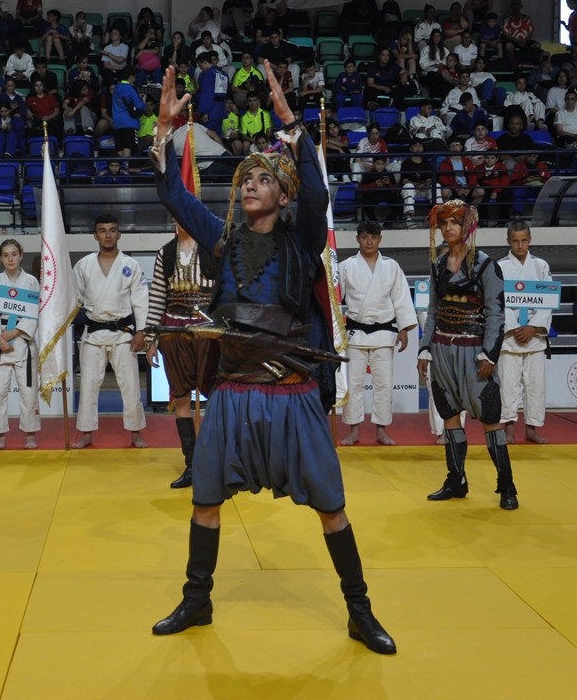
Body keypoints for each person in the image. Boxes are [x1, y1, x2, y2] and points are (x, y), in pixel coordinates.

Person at [147, 62, 395, 654]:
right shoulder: (222, 237)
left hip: (292, 392)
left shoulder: (302, 236)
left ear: (283, 194)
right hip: (232, 391)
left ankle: (360, 611)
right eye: (245, 177)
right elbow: (172, 194)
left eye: (262, 177)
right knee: (205, 498)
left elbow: (318, 192)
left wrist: (291, 124)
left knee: (332, 508)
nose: (249, 183)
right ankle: (197, 599)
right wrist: (163, 133)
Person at [417, 199, 518, 511]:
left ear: (467, 226)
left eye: (454, 223)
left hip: (474, 352)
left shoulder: (487, 265)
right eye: (443, 223)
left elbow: (496, 315)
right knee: (449, 416)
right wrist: (424, 347)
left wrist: (489, 354)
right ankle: (456, 479)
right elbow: (432, 310)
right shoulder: (437, 265)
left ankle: (507, 485)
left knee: (490, 419)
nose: (448, 228)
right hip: (442, 350)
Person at [145, 222, 219, 488]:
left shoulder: (213, 249)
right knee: (181, 396)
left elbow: (225, 291)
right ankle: (192, 464)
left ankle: (218, 461)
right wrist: (151, 339)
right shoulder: (165, 253)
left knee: (217, 394)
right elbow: (157, 297)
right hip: (172, 330)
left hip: (207, 330)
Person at [72, 213, 149, 450]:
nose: (108, 234)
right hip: (93, 334)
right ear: (95, 235)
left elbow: (141, 301)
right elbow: (73, 300)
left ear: (119, 234)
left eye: (112, 229)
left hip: (123, 333)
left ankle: (135, 432)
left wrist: (141, 331)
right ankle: (86, 433)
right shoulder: (83, 265)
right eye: (103, 230)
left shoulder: (131, 265)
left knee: (131, 384)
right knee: (88, 385)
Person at [338, 221, 416, 446]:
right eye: (364, 237)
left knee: (384, 383)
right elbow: (336, 299)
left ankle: (381, 429)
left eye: (373, 237)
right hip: (355, 333)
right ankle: (354, 430)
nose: (369, 241)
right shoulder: (346, 266)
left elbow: (401, 298)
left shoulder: (391, 266)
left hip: (384, 333)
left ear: (380, 239)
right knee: (354, 383)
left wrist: (404, 329)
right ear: (357, 239)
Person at [497, 222, 551, 445]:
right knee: (508, 385)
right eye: (516, 241)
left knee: (535, 385)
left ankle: (532, 428)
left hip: (534, 336)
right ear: (508, 241)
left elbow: (548, 301)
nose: (520, 245)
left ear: (530, 239)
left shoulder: (541, 266)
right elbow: (496, 300)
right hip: (510, 336)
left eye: (524, 240)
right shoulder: (499, 266)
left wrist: (533, 327)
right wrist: (513, 327)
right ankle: (508, 428)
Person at [0, 239, 41, 451]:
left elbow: (34, 313)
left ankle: (30, 434)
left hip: (22, 342)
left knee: (28, 392)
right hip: (0, 344)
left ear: (21, 255)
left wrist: (15, 333)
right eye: (6, 255)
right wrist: (0, 338)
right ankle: (0, 435)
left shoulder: (31, 282)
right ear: (1, 258)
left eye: (14, 254)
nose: (10, 258)